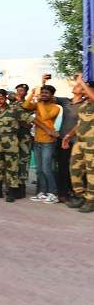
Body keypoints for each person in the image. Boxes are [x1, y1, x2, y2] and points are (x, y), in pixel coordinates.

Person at [0, 89, 34, 202]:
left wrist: (48, 130)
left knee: (12, 167)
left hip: (11, 141)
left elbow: (31, 119)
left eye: (2, 98)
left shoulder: (15, 110)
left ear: (6, 98)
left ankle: (12, 193)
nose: (0, 101)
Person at [51, 74, 87, 202]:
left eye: (79, 86)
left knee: (77, 169)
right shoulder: (66, 101)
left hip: (76, 141)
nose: (75, 87)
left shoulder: (86, 105)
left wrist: (69, 135)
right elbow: (49, 96)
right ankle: (63, 194)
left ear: (84, 91)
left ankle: (77, 193)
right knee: (63, 168)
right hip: (63, 140)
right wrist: (43, 82)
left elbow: (80, 124)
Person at [61, 75, 94, 213]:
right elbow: (80, 123)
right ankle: (80, 196)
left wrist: (81, 81)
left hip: (91, 144)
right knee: (74, 169)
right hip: (79, 143)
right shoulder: (86, 104)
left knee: (92, 173)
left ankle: (91, 200)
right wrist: (68, 135)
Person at [23, 85, 60, 203]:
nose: (43, 94)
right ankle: (43, 192)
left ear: (52, 95)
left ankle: (53, 193)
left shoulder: (55, 107)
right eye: (42, 92)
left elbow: (44, 116)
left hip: (48, 142)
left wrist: (39, 102)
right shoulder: (38, 105)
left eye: (46, 93)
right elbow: (25, 106)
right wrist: (32, 94)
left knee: (46, 169)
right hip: (37, 140)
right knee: (39, 169)